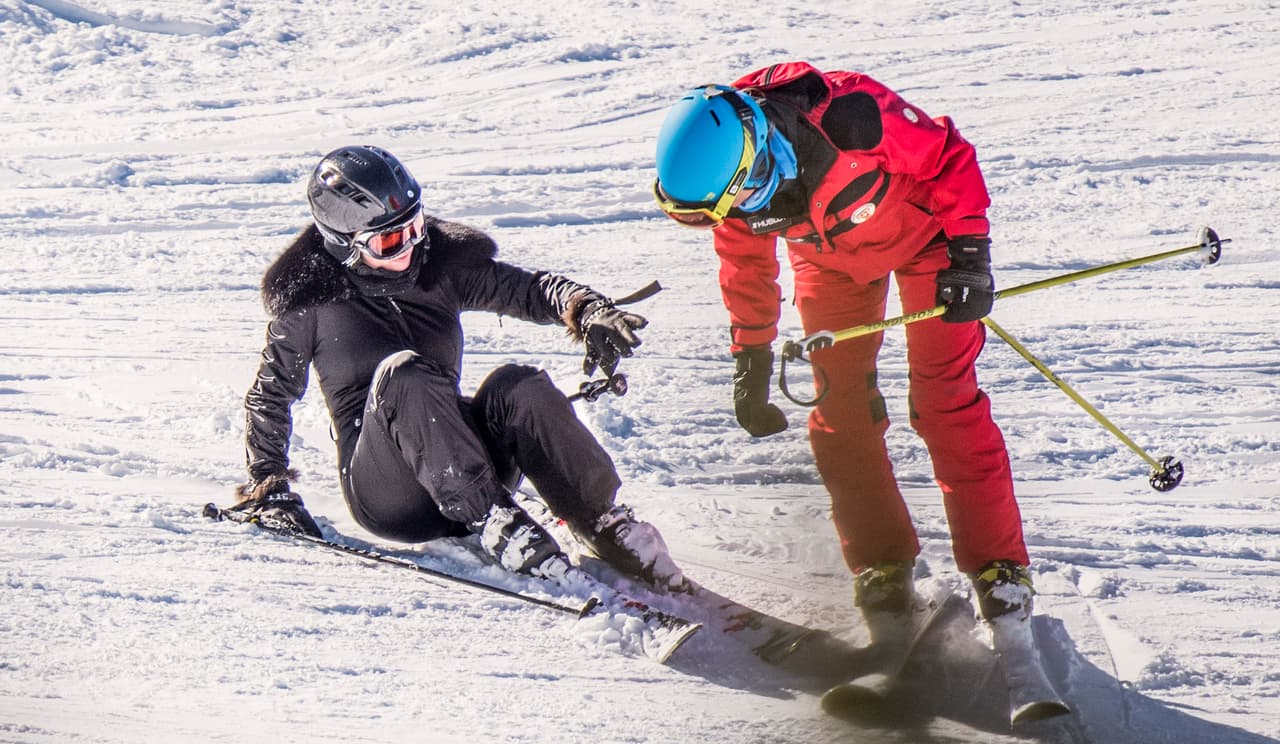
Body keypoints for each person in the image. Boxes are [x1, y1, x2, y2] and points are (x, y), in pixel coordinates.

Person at [651, 62, 1032, 637]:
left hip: (928, 245)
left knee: (944, 400)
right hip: (831, 264)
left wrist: (970, 254)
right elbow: (745, 265)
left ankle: (998, 566)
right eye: (729, 209)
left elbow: (949, 157)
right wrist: (751, 358)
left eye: (747, 193)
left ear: (755, 148)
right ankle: (881, 562)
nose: (746, 210)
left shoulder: (850, 115)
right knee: (840, 411)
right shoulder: (731, 192)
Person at [234, 144, 683, 590]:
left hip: (466, 464)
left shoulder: (437, 264)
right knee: (402, 372)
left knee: (518, 384)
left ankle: (598, 517)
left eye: (414, 228)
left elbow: (529, 289)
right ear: (343, 243)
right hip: (392, 495)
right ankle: (495, 523)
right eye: (390, 241)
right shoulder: (309, 303)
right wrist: (268, 486)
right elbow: (270, 396)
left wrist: (585, 309)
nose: (409, 248)